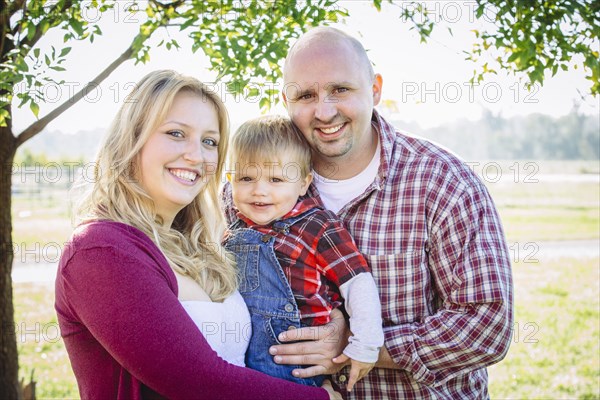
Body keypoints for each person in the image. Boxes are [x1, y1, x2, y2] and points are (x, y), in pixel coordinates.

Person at [243, 27, 514, 399]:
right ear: (286, 100)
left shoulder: (443, 182)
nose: (324, 111)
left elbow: (488, 325)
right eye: (306, 95)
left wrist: (357, 344)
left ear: (375, 89)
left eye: (340, 89)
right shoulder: (251, 192)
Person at [54, 70, 339, 400]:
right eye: (176, 133)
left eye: (209, 142)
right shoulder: (100, 249)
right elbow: (199, 383)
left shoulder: (206, 245)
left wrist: (334, 330)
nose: (197, 155)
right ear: (132, 139)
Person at [223, 115, 384, 392]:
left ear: (302, 183)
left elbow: (357, 282)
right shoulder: (230, 229)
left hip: (297, 372)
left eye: (276, 179)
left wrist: (366, 343)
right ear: (230, 180)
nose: (259, 191)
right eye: (246, 178)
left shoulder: (317, 226)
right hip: (242, 372)